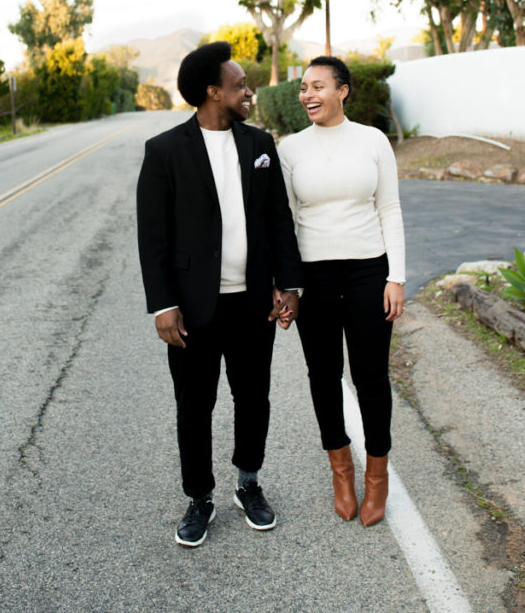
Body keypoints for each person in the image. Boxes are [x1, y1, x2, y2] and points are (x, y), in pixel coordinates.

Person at [136, 42, 302, 547]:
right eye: (239, 85)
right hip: (191, 308)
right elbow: (153, 235)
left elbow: (278, 221)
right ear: (213, 92)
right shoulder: (165, 151)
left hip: (251, 302)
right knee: (194, 404)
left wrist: (289, 285)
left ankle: (248, 483)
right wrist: (162, 304)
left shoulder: (260, 145)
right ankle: (199, 497)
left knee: (254, 397)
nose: (248, 92)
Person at [278, 55, 405, 527]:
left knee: (372, 378)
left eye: (317, 86)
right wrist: (287, 287)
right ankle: (341, 472)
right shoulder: (290, 150)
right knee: (323, 375)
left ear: (342, 90)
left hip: (369, 272)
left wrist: (397, 277)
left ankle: (377, 478)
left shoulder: (373, 141)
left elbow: (389, 208)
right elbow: (286, 224)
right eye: (303, 88)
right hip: (314, 278)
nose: (307, 95)